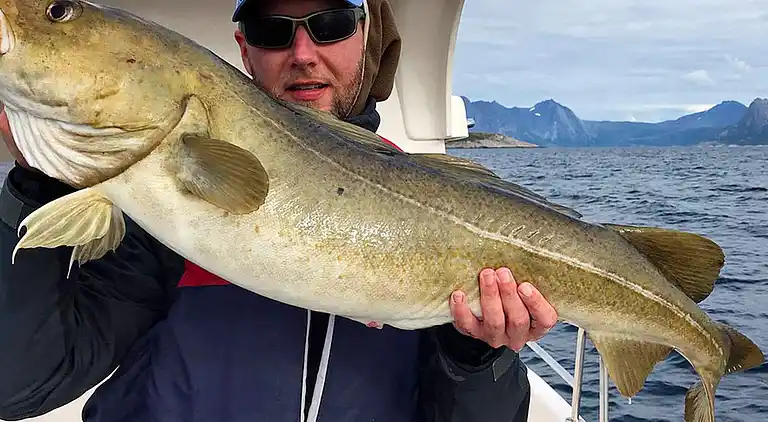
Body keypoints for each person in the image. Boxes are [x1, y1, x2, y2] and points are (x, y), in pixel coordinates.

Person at [0, 0, 558, 421]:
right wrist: (35, 183)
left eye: (331, 24)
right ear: (244, 49)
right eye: (273, 30)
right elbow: (19, 385)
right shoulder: (152, 203)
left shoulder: (446, 204)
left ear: (365, 36)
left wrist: (474, 352)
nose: (303, 53)